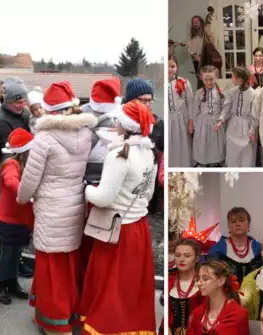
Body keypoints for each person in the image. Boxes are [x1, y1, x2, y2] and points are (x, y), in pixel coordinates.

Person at [16, 82, 96, 334]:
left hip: (51, 209)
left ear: (48, 110)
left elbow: (30, 180)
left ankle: (54, 322)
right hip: (74, 207)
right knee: (68, 267)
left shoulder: (44, 139)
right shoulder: (85, 134)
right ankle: (70, 316)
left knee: (51, 270)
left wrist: (21, 198)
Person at [80, 100, 158, 334]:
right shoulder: (150, 152)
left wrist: (86, 189)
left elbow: (103, 197)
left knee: (110, 285)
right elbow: (149, 193)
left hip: (116, 228)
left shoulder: (119, 155)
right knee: (131, 286)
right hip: (139, 226)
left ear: (124, 124)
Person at [0, 128, 34, 305]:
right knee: (5, 254)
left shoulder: (27, 165)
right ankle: (0, 284)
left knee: (16, 253)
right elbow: (11, 181)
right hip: (6, 219)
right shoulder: (11, 164)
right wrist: (26, 194)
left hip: (20, 219)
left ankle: (12, 282)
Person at [186, 260, 250, 334]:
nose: (198, 283)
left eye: (205, 279)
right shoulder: (197, 314)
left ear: (221, 281)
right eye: (198, 279)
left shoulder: (238, 314)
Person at [207, 207, 263, 284]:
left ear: (249, 225)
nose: (238, 224)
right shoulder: (217, 250)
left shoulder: (259, 248)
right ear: (229, 227)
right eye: (233, 221)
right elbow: (211, 276)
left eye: (242, 220)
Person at [215, 66, 256, 167]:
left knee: (246, 153)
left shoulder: (253, 94)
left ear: (240, 79)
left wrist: (252, 130)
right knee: (232, 153)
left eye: (232, 76)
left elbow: (254, 114)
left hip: (247, 127)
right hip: (233, 127)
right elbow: (227, 108)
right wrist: (221, 119)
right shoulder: (232, 92)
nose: (231, 78)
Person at [165, 238, 205, 334]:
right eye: (178, 255)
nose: (181, 259)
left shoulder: (204, 282)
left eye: (187, 256)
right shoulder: (168, 281)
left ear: (196, 258)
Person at [190, 65, 225, 167]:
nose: (208, 82)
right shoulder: (198, 93)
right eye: (205, 80)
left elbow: (224, 109)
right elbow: (195, 111)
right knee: (203, 144)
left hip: (216, 123)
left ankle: (215, 163)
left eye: (211, 79)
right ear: (201, 78)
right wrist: (196, 126)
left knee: (215, 145)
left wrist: (221, 121)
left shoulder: (221, 93)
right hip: (202, 124)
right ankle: (203, 163)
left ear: (216, 78)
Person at [0, 77, 32, 163]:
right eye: (18, 102)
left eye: (24, 101)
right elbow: (8, 153)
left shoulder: (26, 113)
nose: (22, 105)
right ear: (7, 101)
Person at [168, 56, 194, 168]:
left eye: (172, 66)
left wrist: (191, 122)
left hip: (182, 119)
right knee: (170, 145)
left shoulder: (184, 82)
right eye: (167, 66)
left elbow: (191, 103)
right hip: (169, 120)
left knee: (183, 144)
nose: (170, 69)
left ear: (177, 67)